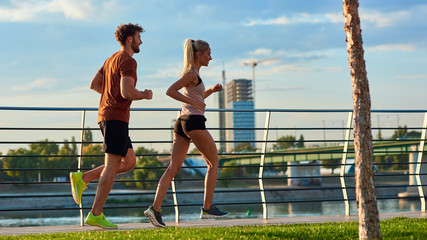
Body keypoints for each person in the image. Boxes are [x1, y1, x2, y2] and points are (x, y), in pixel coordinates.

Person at [69, 23, 153, 229]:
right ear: (130, 39)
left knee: (129, 162)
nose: (141, 41)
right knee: (112, 164)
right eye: (138, 37)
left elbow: (95, 84)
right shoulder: (128, 60)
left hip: (110, 116)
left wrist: (110, 97)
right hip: (115, 118)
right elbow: (127, 92)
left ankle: (84, 177)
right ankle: (95, 214)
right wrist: (144, 94)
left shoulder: (110, 59)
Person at [144, 39, 227, 228]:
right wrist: (197, 104)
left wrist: (211, 91)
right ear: (199, 54)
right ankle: (207, 208)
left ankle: (155, 209)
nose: (210, 57)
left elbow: (194, 98)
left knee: (173, 168)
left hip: (182, 123)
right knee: (213, 162)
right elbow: (170, 91)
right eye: (208, 54)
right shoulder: (191, 73)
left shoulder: (193, 74)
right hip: (193, 122)